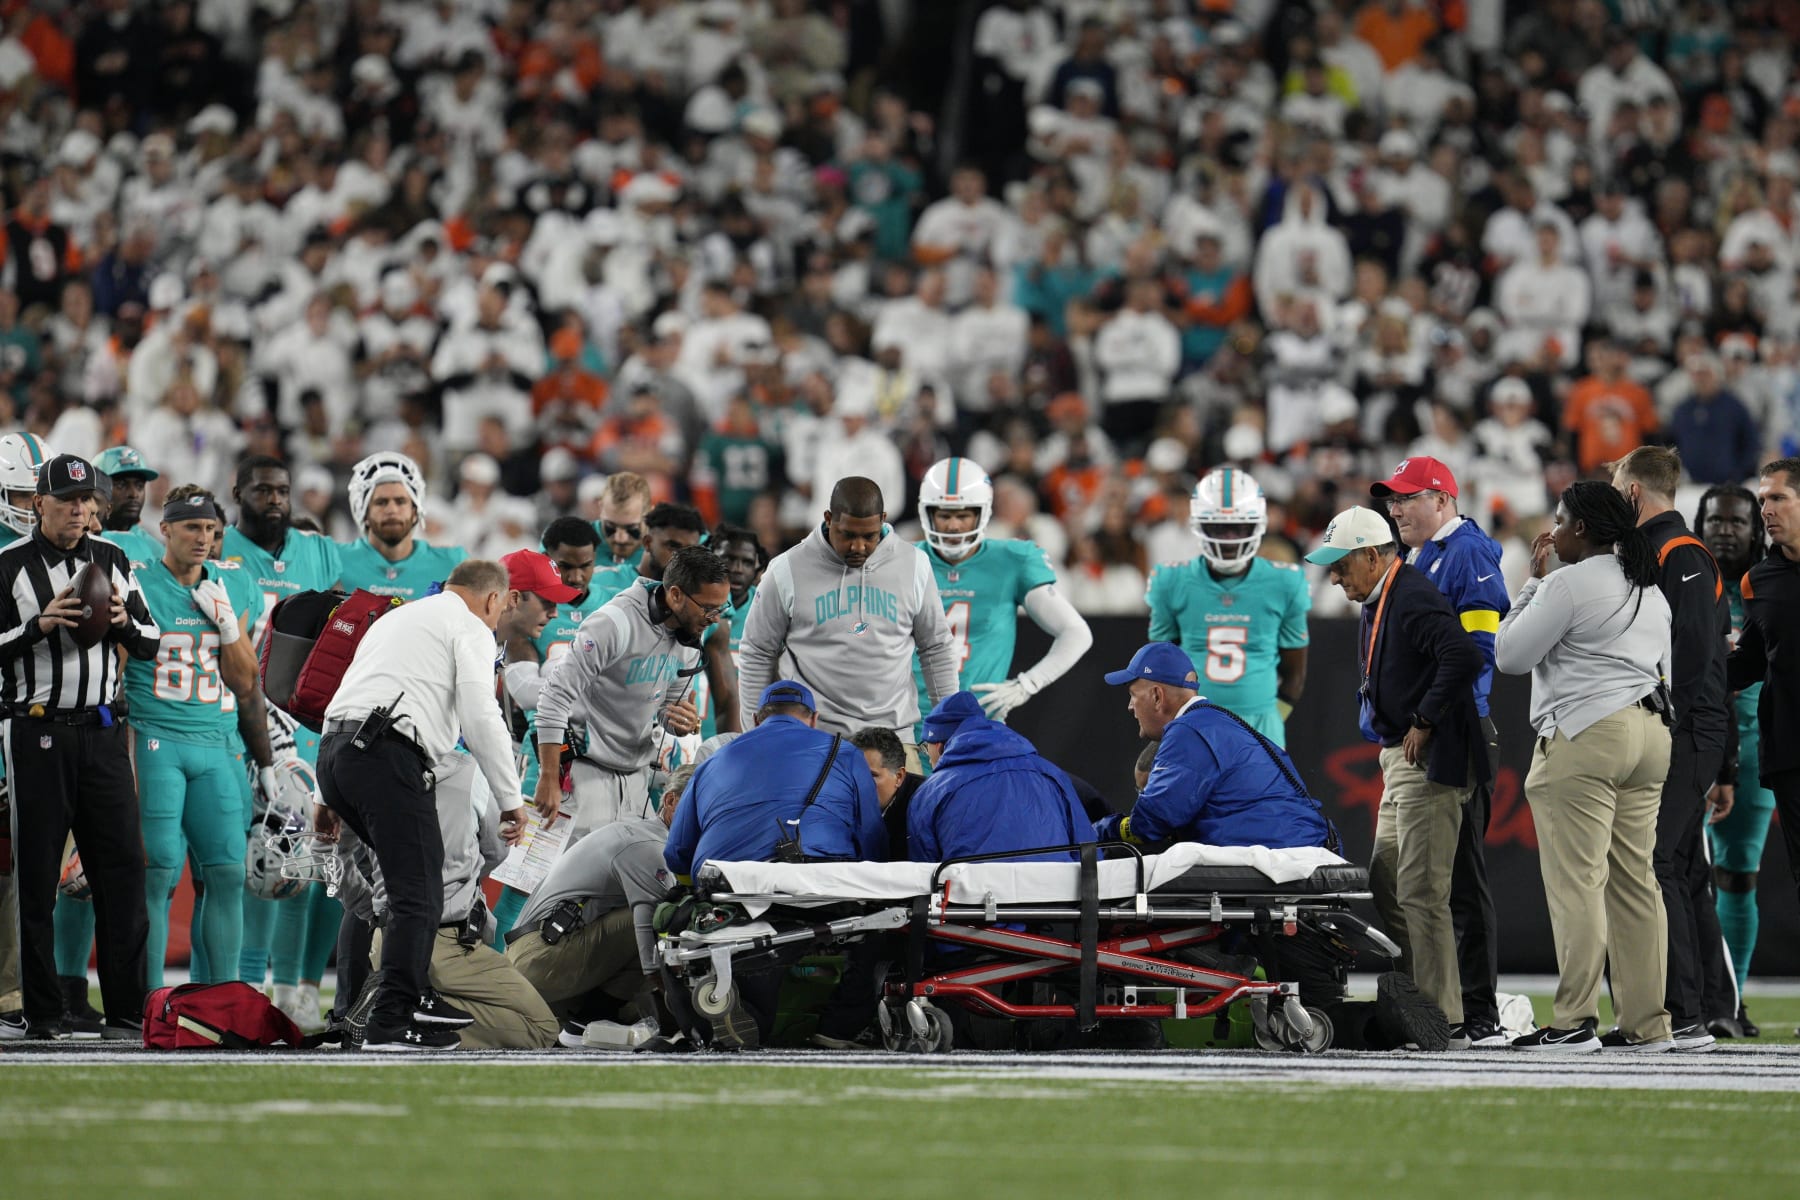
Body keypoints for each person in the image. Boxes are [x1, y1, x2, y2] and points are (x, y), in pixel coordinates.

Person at [314, 559, 527, 1051]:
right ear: (493, 599)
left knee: (406, 885)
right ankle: (392, 1019)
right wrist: (510, 798)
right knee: (419, 893)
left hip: (336, 750)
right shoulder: (470, 627)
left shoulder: (398, 618)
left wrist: (324, 795)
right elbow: (480, 714)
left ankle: (412, 993)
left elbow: (351, 691)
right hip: (386, 754)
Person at [1495, 482, 1674, 1052]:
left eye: (1559, 520)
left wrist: (1532, 584)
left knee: (1579, 883)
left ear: (1581, 528)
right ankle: (1648, 1024)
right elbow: (1666, 669)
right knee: (1636, 883)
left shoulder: (1566, 583)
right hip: (1651, 732)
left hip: (1588, 731)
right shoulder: (1651, 587)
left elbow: (1509, 656)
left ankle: (1574, 1019)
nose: (1552, 530)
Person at [1308, 506, 1486, 1042]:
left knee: (1420, 889)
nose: (1334, 578)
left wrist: (1425, 719)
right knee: (1388, 879)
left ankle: (1442, 1017)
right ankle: (1420, 998)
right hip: (1400, 758)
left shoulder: (1408, 595)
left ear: (1370, 555)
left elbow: (1463, 655)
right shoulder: (1386, 595)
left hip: (1428, 761)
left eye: (1340, 566)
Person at [0, 454, 160, 1039]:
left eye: (87, 501)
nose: (79, 511)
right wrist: (38, 626)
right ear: (39, 503)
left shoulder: (112, 558)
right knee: (37, 876)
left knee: (123, 873)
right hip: (36, 731)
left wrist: (120, 622)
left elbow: (150, 639)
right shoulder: (9, 565)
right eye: (67, 501)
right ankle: (43, 1013)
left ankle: (125, 1010)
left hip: (103, 732)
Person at [1371, 456, 1510, 1047]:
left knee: (1462, 882)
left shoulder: (1467, 552)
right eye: (1392, 500)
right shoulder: (1423, 555)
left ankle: (1479, 1012)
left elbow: (1478, 649)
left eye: (1407, 498)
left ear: (1444, 500)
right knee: (1417, 880)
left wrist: (1431, 715)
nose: (1396, 509)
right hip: (1433, 730)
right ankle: (1444, 1000)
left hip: (1457, 730)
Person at [665, 679, 885, 1046]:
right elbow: (873, 840)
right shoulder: (843, 753)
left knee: (711, 930)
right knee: (881, 928)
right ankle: (838, 1027)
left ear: (755, 719)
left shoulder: (713, 761)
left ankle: (727, 1015)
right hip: (820, 886)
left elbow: (676, 852)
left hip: (728, 889)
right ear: (813, 718)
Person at [123, 486, 275, 988]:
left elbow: (246, 682)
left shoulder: (234, 583)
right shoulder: (137, 582)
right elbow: (116, 676)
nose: (203, 538)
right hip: (155, 736)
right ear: (164, 530)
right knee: (159, 871)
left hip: (218, 741)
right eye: (192, 527)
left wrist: (227, 624)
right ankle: (148, 1003)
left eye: (210, 529)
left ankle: (220, 999)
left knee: (227, 873)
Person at [1612, 446, 1733, 1053]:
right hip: (1692, 728)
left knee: (1653, 862)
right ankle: (1692, 1010)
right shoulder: (1663, 550)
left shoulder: (1679, 552)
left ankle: (1680, 1013)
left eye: (1617, 489)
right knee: (1676, 867)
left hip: (1685, 729)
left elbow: (1692, 649)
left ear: (1634, 493)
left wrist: (1666, 716)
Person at [219, 455, 343, 1012]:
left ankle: (293, 993)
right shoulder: (218, 545)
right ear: (238, 493)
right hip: (237, 719)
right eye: (263, 490)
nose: (274, 499)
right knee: (252, 858)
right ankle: (246, 984)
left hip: (304, 720)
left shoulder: (318, 551)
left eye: (281, 491)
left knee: (302, 864)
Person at [334, 751, 556, 1050]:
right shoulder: (471, 772)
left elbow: (335, 857)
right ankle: (390, 1015)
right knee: (542, 1027)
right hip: (448, 944)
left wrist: (370, 909)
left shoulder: (364, 768)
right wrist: (459, 879)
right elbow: (496, 851)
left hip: (387, 938)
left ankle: (394, 1001)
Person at [737, 476, 959, 771]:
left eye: (869, 536)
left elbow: (936, 648)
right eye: (848, 534)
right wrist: (755, 737)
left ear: (883, 520)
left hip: (895, 742)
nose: (859, 546)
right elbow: (757, 651)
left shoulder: (914, 564)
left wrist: (949, 731)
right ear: (828, 519)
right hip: (813, 741)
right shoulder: (787, 568)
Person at [533, 546, 728, 838]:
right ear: (675, 595)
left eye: (720, 609)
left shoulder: (689, 637)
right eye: (708, 608)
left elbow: (667, 706)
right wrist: (549, 777)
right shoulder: (614, 622)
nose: (714, 618)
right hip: (585, 773)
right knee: (571, 867)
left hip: (636, 779)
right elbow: (554, 696)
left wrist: (676, 721)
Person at [1093, 643, 1333, 849]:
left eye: (1133, 695)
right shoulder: (1212, 723)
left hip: (1286, 857)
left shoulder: (1188, 731)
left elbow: (1150, 823)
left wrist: (1096, 831)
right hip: (1300, 848)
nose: (1130, 706)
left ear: (1157, 696)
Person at [508, 765, 689, 1032]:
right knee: (666, 918)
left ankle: (587, 1017)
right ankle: (588, 1021)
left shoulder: (643, 833)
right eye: (697, 805)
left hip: (543, 951)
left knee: (638, 1012)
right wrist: (684, 1009)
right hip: (540, 958)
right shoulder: (648, 846)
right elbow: (651, 942)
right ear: (671, 800)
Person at [914, 457, 1092, 724]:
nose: (953, 526)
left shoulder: (1012, 560)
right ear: (927, 514)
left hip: (978, 726)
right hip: (909, 725)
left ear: (983, 513)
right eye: (944, 515)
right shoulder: (904, 561)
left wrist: (1028, 684)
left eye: (963, 515)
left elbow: (1076, 632)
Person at [1146, 467, 1309, 744]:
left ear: (1258, 524)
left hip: (1260, 727)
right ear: (1200, 525)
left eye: (1239, 527)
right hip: (1192, 726)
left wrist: (1269, 720)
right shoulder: (1171, 580)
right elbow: (1159, 671)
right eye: (1218, 527)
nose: (1230, 538)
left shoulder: (1284, 583)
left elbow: (1294, 677)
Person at [1696, 486, 1770, 1037]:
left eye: (1737, 522)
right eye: (1715, 520)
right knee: (1682, 878)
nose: (1725, 530)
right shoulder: (1682, 581)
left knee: (1738, 874)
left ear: (1755, 530)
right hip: (1694, 743)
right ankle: (1690, 998)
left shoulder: (1772, 586)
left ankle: (1732, 1001)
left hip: (1759, 746)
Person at [1726, 459, 1800, 1011]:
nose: (1766, 510)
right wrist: (1694, 670)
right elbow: (1750, 662)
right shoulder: (1760, 580)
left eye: (1778, 498)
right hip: (1791, 755)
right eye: (1763, 500)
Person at [588, 503, 740, 739]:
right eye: (673, 546)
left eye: (690, 550)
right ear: (648, 542)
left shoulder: (710, 604)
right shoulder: (601, 585)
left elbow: (727, 697)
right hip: (607, 731)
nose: (682, 558)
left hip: (678, 732)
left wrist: (731, 749)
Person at [908, 691, 1091, 862]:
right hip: (1052, 886)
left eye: (925, 749)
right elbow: (1089, 853)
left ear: (940, 746)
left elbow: (924, 872)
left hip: (976, 887)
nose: (929, 759)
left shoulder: (929, 793)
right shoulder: (1051, 773)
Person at [338, 450, 468, 600]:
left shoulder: (453, 563)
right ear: (364, 512)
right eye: (381, 502)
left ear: (415, 511)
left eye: (400, 501)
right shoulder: (334, 561)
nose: (392, 510)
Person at [698, 523, 765, 740]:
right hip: (687, 735)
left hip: (744, 735)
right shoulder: (691, 603)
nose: (737, 569)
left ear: (757, 567)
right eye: (728, 558)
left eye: (747, 562)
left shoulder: (769, 611)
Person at [92, 445, 161, 564]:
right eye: (121, 485)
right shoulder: (77, 543)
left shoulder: (156, 550)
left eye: (139, 486)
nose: (134, 494)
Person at [594, 470, 653, 569]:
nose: (620, 539)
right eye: (610, 526)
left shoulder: (663, 551)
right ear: (601, 508)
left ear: (650, 515)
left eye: (632, 528)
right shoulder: (578, 543)